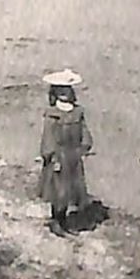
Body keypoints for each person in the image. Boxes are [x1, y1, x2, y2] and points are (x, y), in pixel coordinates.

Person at [37, 69, 93, 236]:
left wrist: (85, 145)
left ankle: (64, 221)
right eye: (61, 90)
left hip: (73, 156)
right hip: (58, 158)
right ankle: (56, 220)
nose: (65, 94)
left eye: (68, 90)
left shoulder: (77, 112)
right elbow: (48, 137)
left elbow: (84, 131)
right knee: (58, 192)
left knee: (71, 190)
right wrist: (51, 156)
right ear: (55, 93)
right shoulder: (52, 114)